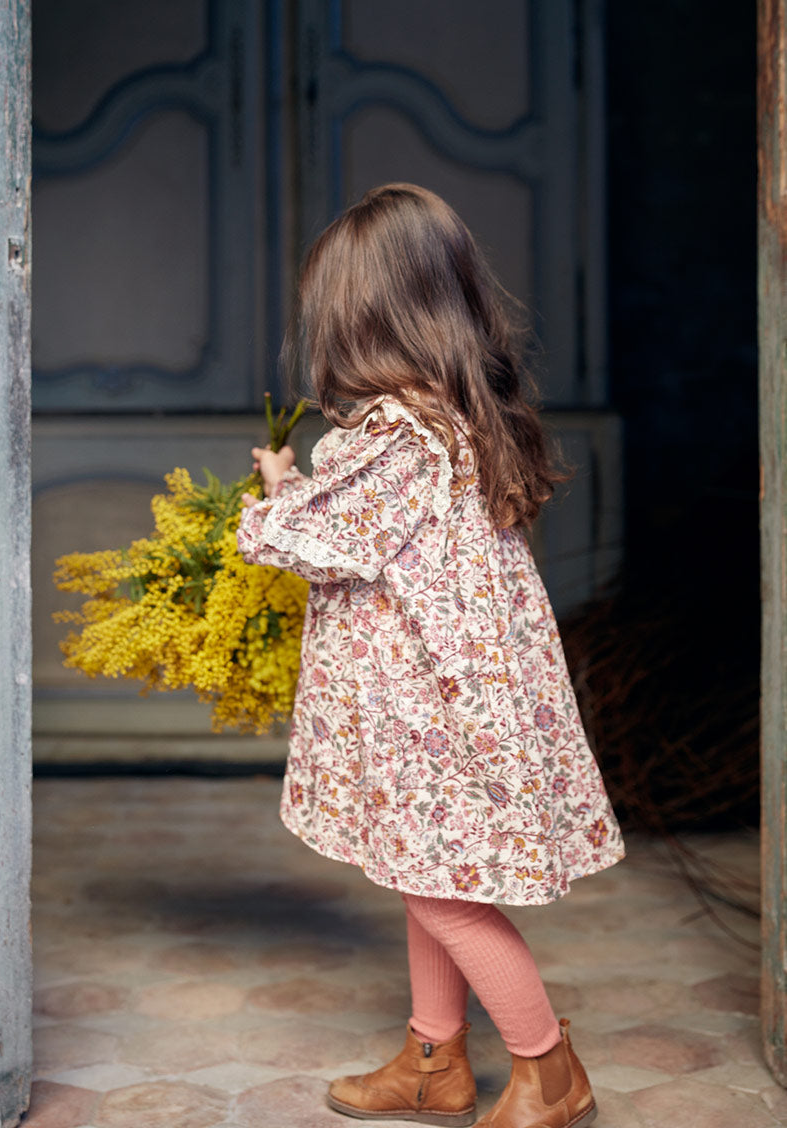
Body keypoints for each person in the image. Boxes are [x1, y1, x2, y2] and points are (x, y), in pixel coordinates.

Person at [237, 184, 623, 1128]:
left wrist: (271, 501)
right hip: (437, 696)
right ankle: (432, 1060)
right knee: (428, 871)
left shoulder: (404, 435)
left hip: (430, 704)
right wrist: (307, 484)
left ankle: (546, 1067)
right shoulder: (445, 415)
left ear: (367, 318)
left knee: (437, 885)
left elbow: (321, 541)